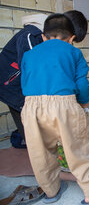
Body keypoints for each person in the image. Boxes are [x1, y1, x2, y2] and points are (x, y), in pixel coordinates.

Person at [20, 12, 89, 204]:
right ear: (71, 38)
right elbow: (82, 83)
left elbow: (25, 81)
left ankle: (51, 191)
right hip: (64, 104)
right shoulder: (73, 52)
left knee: (41, 153)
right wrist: (83, 102)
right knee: (78, 149)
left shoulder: (29, 55)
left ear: (43, 37)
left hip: (31, 107)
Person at [0, 13, 47, 147]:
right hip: (10, 85)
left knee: (27, 117)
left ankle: (30, 140)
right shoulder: (29, 36)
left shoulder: (34, 35)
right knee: (24, 117)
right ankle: (33, 145)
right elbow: (31, 66)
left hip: (16, 82)